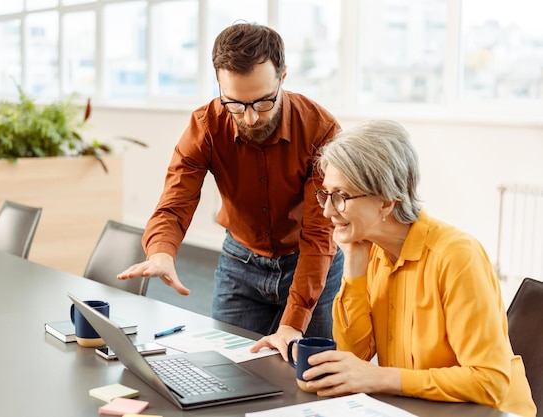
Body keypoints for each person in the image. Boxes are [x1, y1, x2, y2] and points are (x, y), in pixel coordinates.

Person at [117, 22, 344, 355]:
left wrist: (293, 324)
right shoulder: (206, 126)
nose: (250, 118)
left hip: (309, 262)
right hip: (241, 264)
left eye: (263, 103)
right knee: (228, 368)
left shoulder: (320, 130)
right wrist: (161, 252)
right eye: (235, 104)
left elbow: (319, 232)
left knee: (310, 377)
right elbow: (175, 202)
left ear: (283, 78)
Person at [294, 120, 535, 416]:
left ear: (385, 202)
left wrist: (380, 378)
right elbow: (353, 357)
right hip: (419, 409)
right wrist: (354, 266)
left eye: (341, 196)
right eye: (326, 194)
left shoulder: (457, 256)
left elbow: (490, 381)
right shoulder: (371, 250)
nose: (328, 211)